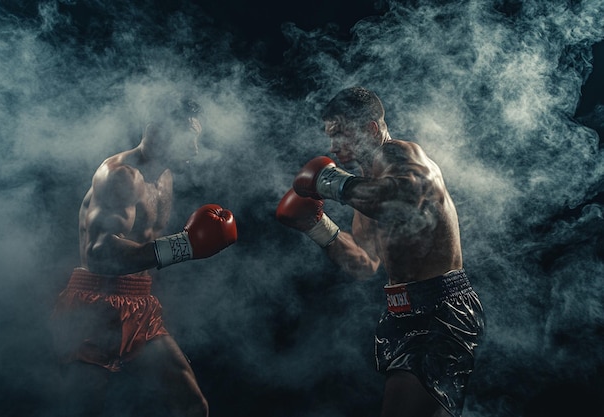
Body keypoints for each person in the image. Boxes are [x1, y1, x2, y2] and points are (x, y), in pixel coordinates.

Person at [276, 86, 484, 417]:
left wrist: (329, 181)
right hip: (402, 313)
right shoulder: (366, 187)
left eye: (341, 134)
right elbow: (365, 263)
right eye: (331, 137)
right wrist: (316, 225)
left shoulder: (402, 155)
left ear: (372, 129)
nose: (333, 147)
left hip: (440, 312)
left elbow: (400, 201)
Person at [51, 97, 237, 417]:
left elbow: (143, 248)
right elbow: (100, 253)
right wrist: (184, 247)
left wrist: (182, 249)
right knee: (83, 409)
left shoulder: (165, 177)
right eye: (188, 139)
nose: (194, 150)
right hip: (95, 303)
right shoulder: (121, 176)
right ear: (156, 130)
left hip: (139, 302)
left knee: (192, 405)